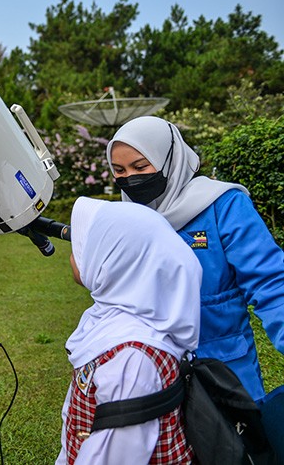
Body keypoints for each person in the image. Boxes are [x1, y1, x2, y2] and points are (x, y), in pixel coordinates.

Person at [107, 116, 284, 404]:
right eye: (119, 170)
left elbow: (272, 283)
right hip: (153, 368)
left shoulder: (223, 206)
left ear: (170, 159)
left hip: (226, 365)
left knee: (239, 444)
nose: (130, 179)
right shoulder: (128, 219)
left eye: (140, 167)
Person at [57, 197, 201, 464]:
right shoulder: (113, 321)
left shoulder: (132, 359)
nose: (72, 256)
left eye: (82, 248)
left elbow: (117, 455)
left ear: (114, 260)